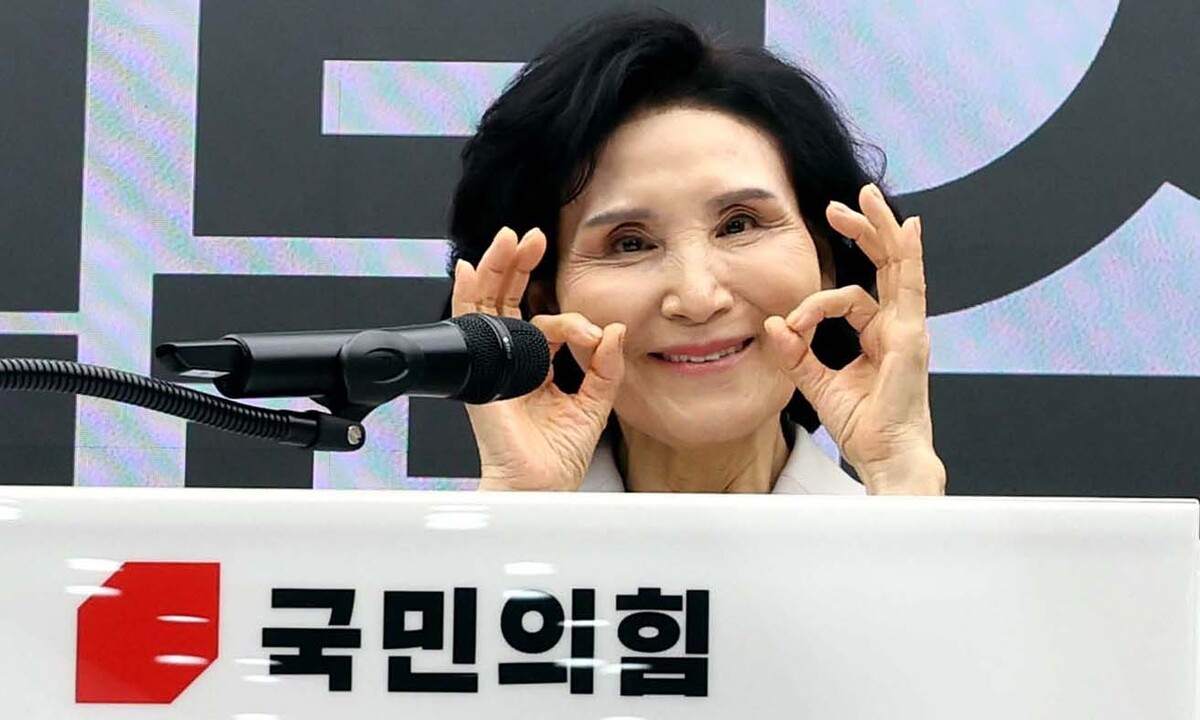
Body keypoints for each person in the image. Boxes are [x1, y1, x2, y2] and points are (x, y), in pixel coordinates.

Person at [445, 9, 945, 495]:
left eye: (739, 225)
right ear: (545, 304)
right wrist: (522, 511)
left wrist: (900, 478)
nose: (698, 298)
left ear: (825, 262)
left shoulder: (905, 519)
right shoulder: (462, 542)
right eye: (629, 243)